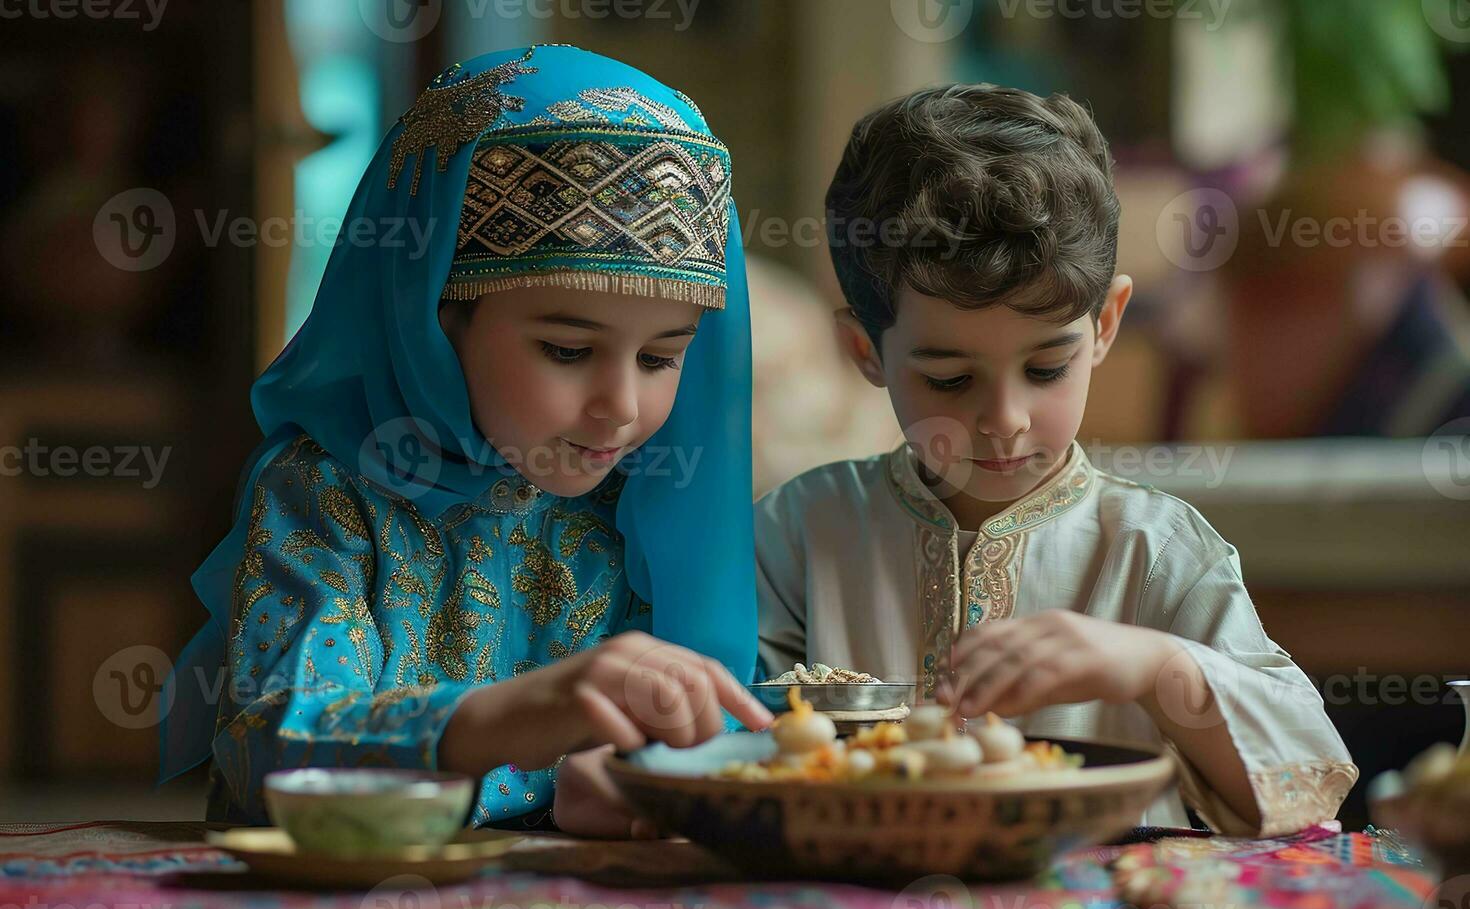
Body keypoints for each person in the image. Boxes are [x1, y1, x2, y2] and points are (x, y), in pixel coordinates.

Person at [159, 45, 771, 838]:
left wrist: (640, 778)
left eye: (661, 358)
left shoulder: (652, 497)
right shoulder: (330, 492)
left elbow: (733, 724)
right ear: (435, 321)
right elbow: (270, 755)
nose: (620, 407)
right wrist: (504, 719)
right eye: (568, 351)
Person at [755, 84, 1357, 836]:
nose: (1004, 421)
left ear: (1105, 324)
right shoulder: (798, 533)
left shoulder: (1156, 551)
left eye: (1045, 370)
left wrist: (1150, 665)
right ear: (865, 352)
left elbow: (1308, 781)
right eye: (950, 379)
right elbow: (726, 749)